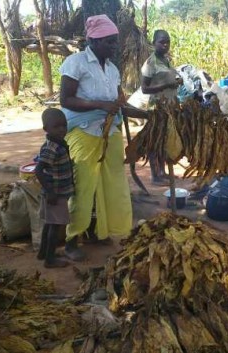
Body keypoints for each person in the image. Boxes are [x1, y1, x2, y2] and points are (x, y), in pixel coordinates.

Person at [59, 14, 133, 261]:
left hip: (110, 132)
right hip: (84, 131)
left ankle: (105, 231)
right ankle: (71, 239)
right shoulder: (76, 63)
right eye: (109, 42)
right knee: (84, 186)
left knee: (113, 182)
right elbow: (66, 100)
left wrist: (147, 114)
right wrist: (100, 104)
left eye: (115, 41)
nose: (114, 46)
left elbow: (119, 103)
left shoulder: (112, 69)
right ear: (93, 40)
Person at [140, 29, 182, 186]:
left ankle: (162, 172)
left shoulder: (166, 60)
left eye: (168, 42)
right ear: (154, 43)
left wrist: (177, 82)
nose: (165, 45)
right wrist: (167, 85)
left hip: (169, 107)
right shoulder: (151, 63)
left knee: (165, 140)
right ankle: (155, 175)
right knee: (155, 140)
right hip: (156, 108)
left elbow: (171, 78)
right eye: (162, 42)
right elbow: (144, 88)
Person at [35, 108, 73, 268]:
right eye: (57, 127)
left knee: (50, 223)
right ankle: (50, 260)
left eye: (64, 126)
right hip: (55, 194)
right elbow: (39, 169)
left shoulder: (59, 144)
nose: (62, 130)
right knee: (55, 226)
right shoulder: (52, 147)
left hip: (57, 192)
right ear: (46, 129)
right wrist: (50, 191)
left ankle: (43, 252)